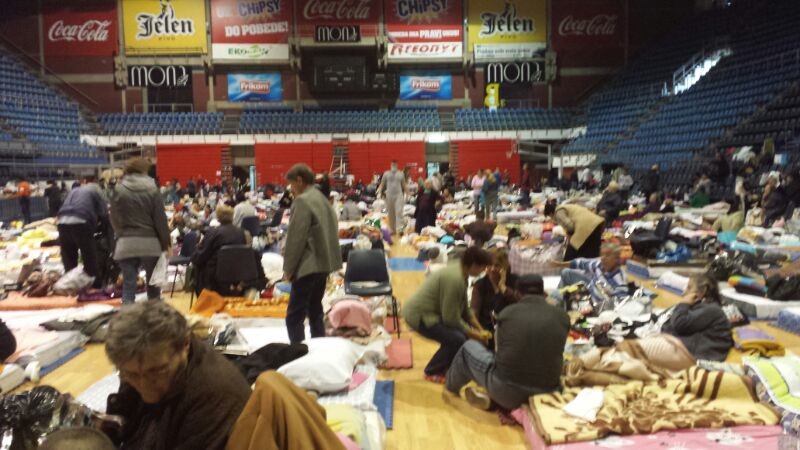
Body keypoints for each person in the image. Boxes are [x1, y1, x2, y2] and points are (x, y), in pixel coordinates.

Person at [105, 301, 250, 450]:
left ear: (185, 344)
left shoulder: (216, 394)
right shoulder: (138, 361)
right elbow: (123, 417)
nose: (144, 384)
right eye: (132, 374)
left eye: (157, 371)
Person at [446, 274, 569, 411]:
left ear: (517, 293)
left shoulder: (507, 314)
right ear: (543, 292)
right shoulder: (563, 317)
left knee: (468, 348)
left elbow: (499, 354)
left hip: (507, 392)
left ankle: (450, 386)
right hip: (548, 391)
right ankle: (497, 401)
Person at [402, 247, 492, 383]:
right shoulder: (455, 279)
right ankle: (432, 371)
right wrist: (475, 335)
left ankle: (446, 366)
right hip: (420, 315)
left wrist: (480, 329)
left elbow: (465, 310)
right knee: (457, 338)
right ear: (474, 265)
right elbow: (451, 318)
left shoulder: (461, 270)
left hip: (429, 312)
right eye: (483, 268)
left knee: (458, 336)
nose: (483, 271)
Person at [283, 164, 342, 343]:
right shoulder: (323, 199)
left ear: (299, 180)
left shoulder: (302, 201)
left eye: (292, 185)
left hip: (308, 266)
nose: (291, 190)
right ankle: (319, 351)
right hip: (324, 264)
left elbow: (296, 239)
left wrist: (289, 269)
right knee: (315, 311)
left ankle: (299, 355)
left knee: (294, 317)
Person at [110, 158, 170, 304]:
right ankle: (155, 320)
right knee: (153, 288)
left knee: (128, 287)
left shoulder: (118, 189)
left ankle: (127, 321)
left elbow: (113, 217)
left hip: (125, 244)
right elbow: (160, 221)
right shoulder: (152, 189)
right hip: (150, 244)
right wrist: (165, 243)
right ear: (144, 170)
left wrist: (121, 234)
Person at [661, 273, 733, 361]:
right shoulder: (701, 307)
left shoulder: (711, 310)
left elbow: (679, 324)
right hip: (690, 351)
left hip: (698, 357)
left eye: (689, 287)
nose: (685, 291)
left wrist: (684, 304)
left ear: (702, 291)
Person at [551, 243, 628, 312]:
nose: (603, 258)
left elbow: (620, 305)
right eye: (602, 254)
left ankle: (556, 309)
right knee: (566, 272)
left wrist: (595, 306)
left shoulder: (619, 281)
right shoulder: (599, 265)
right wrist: (559, 264)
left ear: (617, 259)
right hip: (588, 290)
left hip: (593, 305)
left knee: (555, 295)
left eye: (608, 255)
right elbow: (581, 263)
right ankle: (559, 305)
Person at [56, 182, 108, 285]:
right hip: (81, 222)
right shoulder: (95, 193)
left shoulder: (73, 191)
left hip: (61, 221)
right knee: (89, 257)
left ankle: (70, 285)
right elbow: (104, 213)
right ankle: (95, 286)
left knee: (69, 257)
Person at [192, 205, 249, 295]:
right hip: (236, 275)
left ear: (218, 217)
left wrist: (195, 254)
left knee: (197, 263)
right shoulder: (241, 233)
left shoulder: (213, 233)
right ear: (232, 216)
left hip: (215, 277)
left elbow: (201, 255)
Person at [470, 249, 519, 332]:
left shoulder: (514, 281)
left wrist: (503, 287)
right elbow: (474, 311)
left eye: (497, 265)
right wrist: (479, 331)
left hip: (511, 328)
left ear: (505, 267)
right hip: (487, 329)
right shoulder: (479, 285)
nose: (492, 269)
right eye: (490, 265)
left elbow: (519, 304)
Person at [378, 161, 407, 235]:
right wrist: (379, 191)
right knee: (391, 213)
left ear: (397, 165)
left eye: (395, 164)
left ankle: (400, 229)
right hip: (389, 195)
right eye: (392, 164)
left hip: (398, 195)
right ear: (390, 165)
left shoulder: (401, 174)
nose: (393, 166)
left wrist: (408, 194)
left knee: (399, 212)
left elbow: (404, 185)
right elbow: (382, 183)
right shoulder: (386, 173)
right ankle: (392, 229)